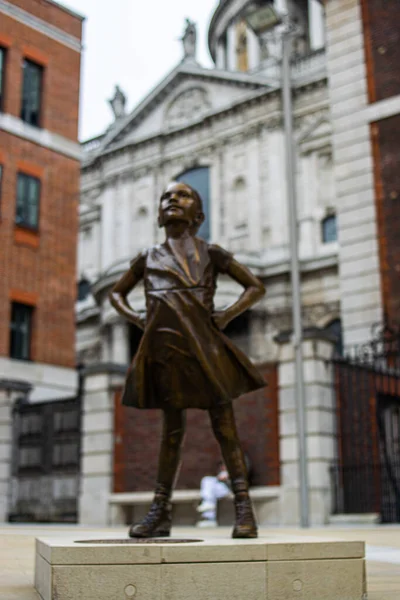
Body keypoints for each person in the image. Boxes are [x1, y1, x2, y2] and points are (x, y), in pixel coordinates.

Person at [109, 181, 266, 539]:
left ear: (199, 215)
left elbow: (255, 286)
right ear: (159, 213)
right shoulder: (148, 257)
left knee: (226, 429)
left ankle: (244, 510)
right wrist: (136, 318)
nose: (172, 200)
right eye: (166, 197)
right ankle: (159, 511)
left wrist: (227, 315)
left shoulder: (211, 253)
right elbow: (116, 293)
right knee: (171, 434)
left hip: (206, 348)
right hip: (165, 352)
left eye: (182, 196)